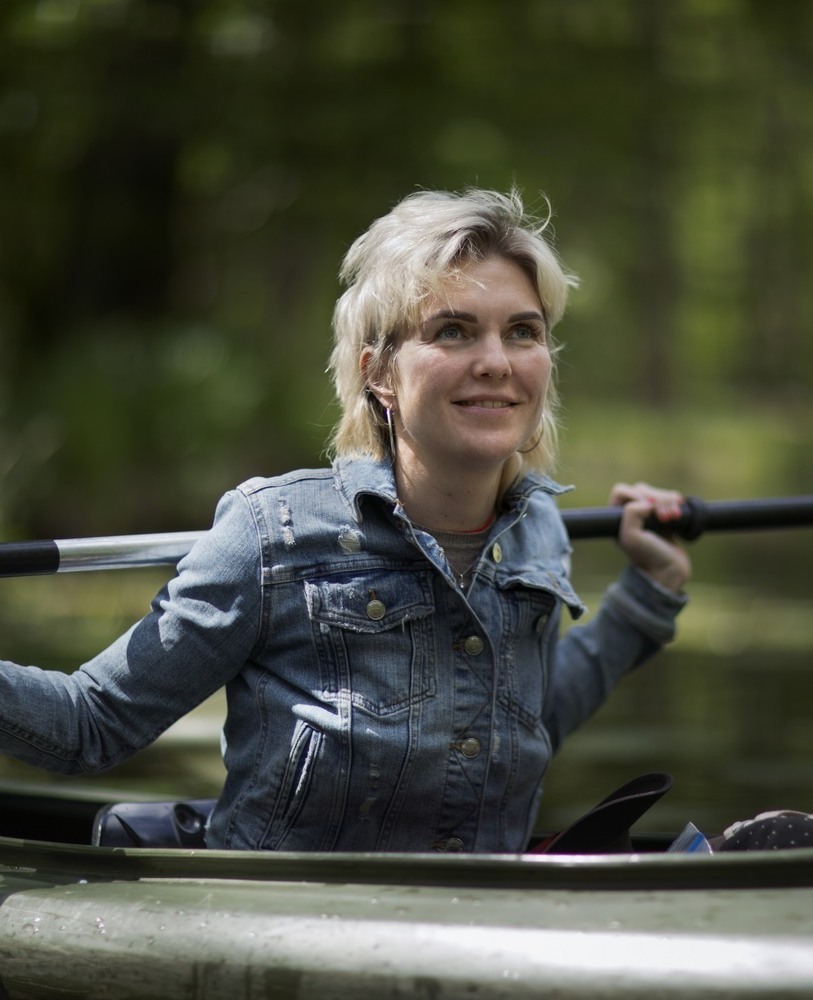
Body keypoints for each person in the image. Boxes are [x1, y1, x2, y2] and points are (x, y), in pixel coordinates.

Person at [0, 188, 690, 853]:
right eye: (452, 331)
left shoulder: (536, 531)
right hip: (277, 917)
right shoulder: (270, 534)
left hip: (477, 915)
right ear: (378, 373)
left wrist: (646, 598)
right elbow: (90, 724)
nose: (494, 362)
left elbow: (519, 724)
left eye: (522, 332)